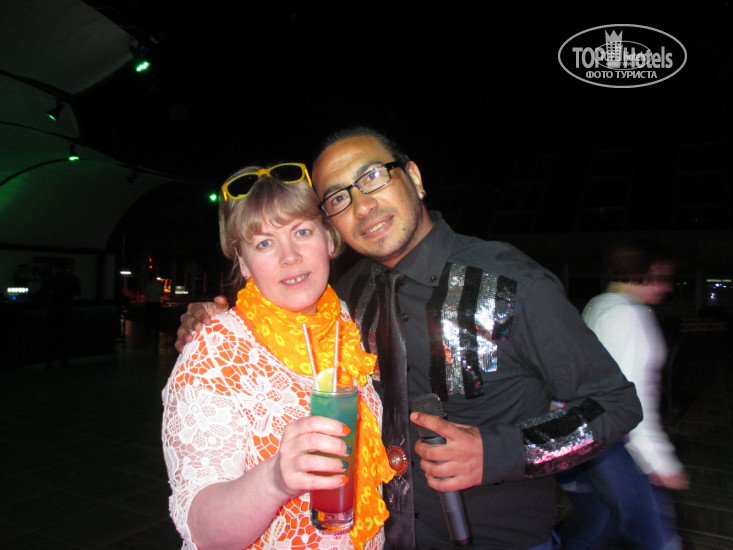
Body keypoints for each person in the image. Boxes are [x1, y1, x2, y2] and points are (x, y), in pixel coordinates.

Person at [176, 127, 643, 550]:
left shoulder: (512, 283)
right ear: (332, 225)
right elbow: (276, 311)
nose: (362, 206)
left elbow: (616, 404)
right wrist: (211, 320)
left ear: (414, 178)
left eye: (372, 177)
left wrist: (499, 452)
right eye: (338, 198)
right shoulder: (347, 297)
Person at [162, 163, 393, 550]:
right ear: (243, 262)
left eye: (302, 232)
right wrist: (275, 480)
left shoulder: (349, 326)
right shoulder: (216, 352)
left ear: (329, 239)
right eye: (264, 243)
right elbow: (203, 533)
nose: (290, 256)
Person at [556, 239, 689, 549]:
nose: (666, 287)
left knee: (596, 521)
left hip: (588, 434)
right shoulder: (629, 315)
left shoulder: (599, 304)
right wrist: (659, 460)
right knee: (657, 535)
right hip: (617, 443)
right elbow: (631, 398)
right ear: (647, 271)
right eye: (663, 277)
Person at [143, 272, 164, 339]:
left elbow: (145, 293)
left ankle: (149, 331)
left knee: (149, 318)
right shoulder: (159, 285)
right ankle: (156, 331)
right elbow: (162, 294)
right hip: (157, 303)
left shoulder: (149, 284)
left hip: (149, 303)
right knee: (157, 318)